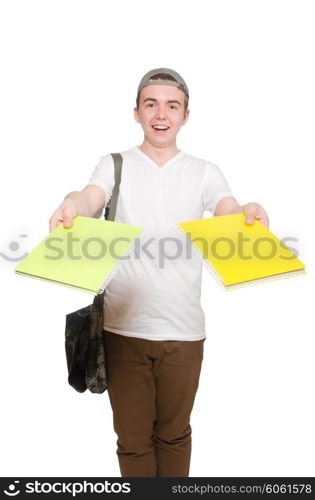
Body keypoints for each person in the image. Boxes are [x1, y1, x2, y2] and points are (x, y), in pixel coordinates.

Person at [49, 68, 269, 477]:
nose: (161, 114)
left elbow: (228, 208)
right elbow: (89, 197)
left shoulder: (204, 171)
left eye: (172, 105)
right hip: (122, 328)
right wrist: (71, 205)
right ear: (136, 112)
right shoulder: (114, 164)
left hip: (184, 331)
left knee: (174, 434)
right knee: (132, 441)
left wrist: (246, 214)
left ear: (186, 115)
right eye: (151, 104)